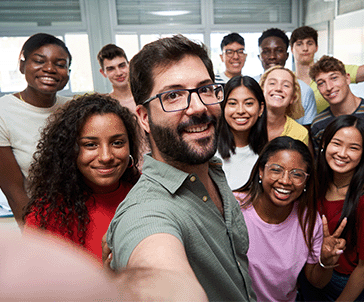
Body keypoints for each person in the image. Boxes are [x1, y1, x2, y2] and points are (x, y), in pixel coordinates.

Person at [106, 35, 256, 301]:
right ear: (144, 118)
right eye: (173, 95)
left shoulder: (213, 171)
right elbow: (160, 273)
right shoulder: (145, 212)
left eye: (206, 89)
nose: (198, 107)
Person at [24, 94, 141, 261]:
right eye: (90, 145)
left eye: (117, 143)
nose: (106, 156)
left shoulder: (148, 193)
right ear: (69, 151)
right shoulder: (45, 215)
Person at [235, 136, 347, 302]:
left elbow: (317, 282)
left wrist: (325, 261)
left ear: (306, 181)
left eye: (297, 174)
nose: (285, 181)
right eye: (276, 170)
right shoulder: (234, 207)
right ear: (261, 170)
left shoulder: (309, 221)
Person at [0, 33, 71, 225]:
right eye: (39, 61)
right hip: (43, 219)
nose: (49, 69)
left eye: (60, 64)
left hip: (86, 211)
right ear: (22, 65)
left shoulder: (73, 108)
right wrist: (33, 238)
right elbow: (15, 194)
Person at [299, 115, 364, 301]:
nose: (342, 153)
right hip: (308, 272)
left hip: (340, 285)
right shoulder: (315, 181)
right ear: (324, 143)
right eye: (337, 143)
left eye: (353, 148)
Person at [290, 0, 364, 113]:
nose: (305, 48)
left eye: (309, 43)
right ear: (291, 49)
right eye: (299, 44)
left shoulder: (335, 71)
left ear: (316, 47)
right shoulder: (287, 80)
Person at [310, 55, 364, 151]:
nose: (329, 87)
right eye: (321, 83)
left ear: (347, 78)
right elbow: (319, 162)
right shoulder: (318, 124)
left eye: (334, 78)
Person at [256, 28, 317, 127]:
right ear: (260, 56)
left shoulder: (304, 90)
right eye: (266, 51)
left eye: (279, 51)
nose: (272, 56)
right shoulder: (249, 85)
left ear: (287, 55)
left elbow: (307, 134)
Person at [216, 75, 268, 190]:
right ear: (223, 107)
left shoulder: (269, 155)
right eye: (232, 103)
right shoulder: (209, 150)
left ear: (261, 109)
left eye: (248, 103)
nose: (240, 111)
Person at [259, 65, 310, 146]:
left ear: (293, 97)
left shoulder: (300, 133)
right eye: (272, 83)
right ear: (262, 90)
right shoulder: (248, 123)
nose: (278, 88)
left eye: (286, 85)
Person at [97, 44, 137, 114]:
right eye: (111, 69)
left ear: (129, 66)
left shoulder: (144, 96)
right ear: (103, 73)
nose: (118, 73)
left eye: (122, 66)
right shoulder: (104, 105)